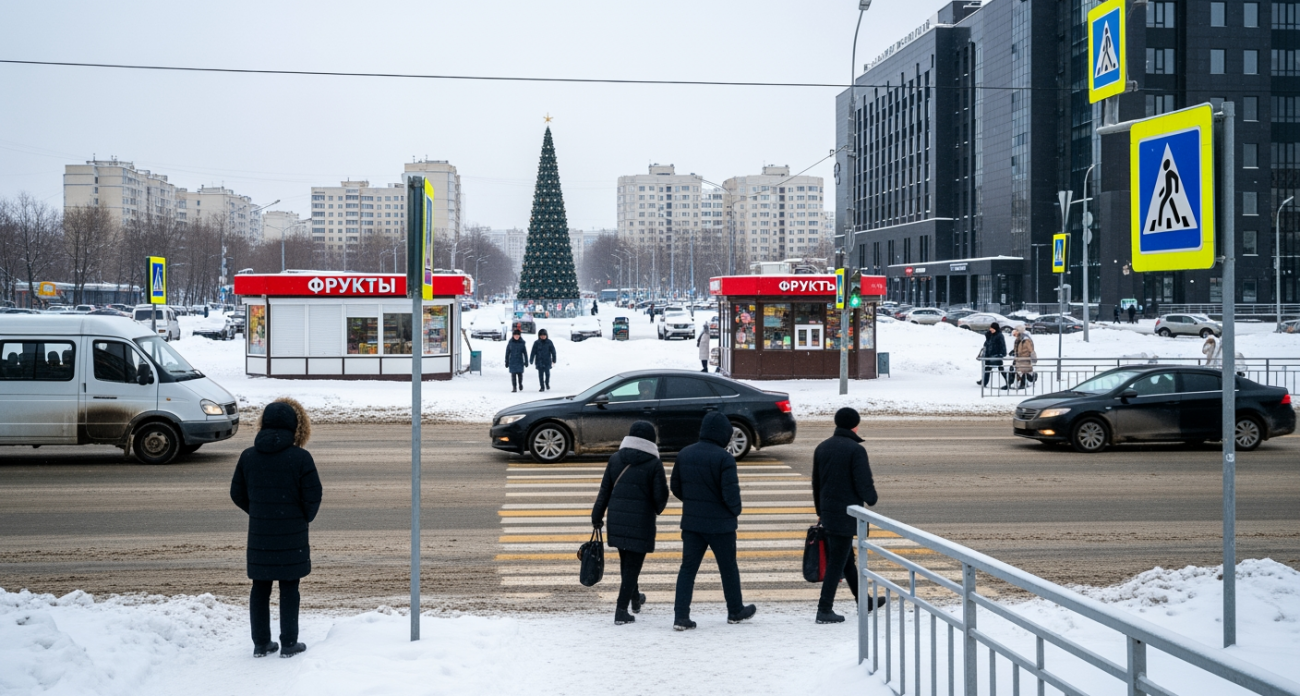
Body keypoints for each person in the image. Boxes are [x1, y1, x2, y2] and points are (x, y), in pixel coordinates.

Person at [230, 398, 322, 659]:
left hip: (260, 535)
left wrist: (259, 512)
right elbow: (313, 495)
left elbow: (237, 493)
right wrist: (300, 517)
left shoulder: (248, 456)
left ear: (263, 424)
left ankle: (261, 644)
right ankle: (289, 644)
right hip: (292, 536)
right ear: (295, 426)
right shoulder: (301, 458)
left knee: (260, 587)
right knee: (290, 587)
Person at [671, 412, 756, 630]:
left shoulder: (685, 453)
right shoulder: (724, 458)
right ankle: (735, 611)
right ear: (723, 434)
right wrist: (735, 511)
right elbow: (730, 494)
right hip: (721, 525)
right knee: (728, 569)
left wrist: (693, 502)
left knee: (688, 570)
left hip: (692, 524)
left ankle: (681, 616)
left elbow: (676, 487)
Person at [811, 407, 885, 624]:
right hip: (846, 515)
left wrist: (820, 512)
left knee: (846, 560)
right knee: (837, 561)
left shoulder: (822, 447)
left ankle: (864, 601)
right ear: (855, 425)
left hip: (829, 513)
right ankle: (824, 609)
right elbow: (863, 482)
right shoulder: (855, 450)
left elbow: (816, 483)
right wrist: (871, 498)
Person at [591, 421, 669, 625]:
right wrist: (654, 505)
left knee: (627, 563)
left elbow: (604, 491)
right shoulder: (654, 464)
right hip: (640, 522)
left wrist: (596, 516)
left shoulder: (616, 459)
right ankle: (621, 611)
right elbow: (660, 499)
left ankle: (635, 598)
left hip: (616, 520)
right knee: (632, 567)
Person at [977, 323, 1009, 389]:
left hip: (996, 355)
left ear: (995, 329)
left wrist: (1002, 354)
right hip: (989, 354)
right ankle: (984, 381)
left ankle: (1008, 381)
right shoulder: (990, 335)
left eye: (992, 328)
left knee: (1000, 368)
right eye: (990, 328)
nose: (990, 329)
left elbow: (1002, 345)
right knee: (987, 368)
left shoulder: (999, 336)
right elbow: (987, 344)